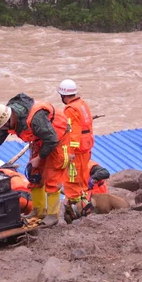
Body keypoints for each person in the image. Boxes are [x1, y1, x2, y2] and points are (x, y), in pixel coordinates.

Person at [0, 94, 70, 226]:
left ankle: (52, 215)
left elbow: (51, 139)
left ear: (9, 119)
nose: (4, 130)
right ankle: (38, 211)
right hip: (40, 140)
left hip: (57, 139)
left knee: (53, 178)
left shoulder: (36, 118)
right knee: (34, 174)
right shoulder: (7, 119)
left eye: (4, 127)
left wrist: (39, 157)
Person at [57, 79, 94, 223]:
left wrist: (70, 151)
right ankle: (84, 205)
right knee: (83, 178)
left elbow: (73, 131)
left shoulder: (70, 109)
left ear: (63, 95)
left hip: (77, 150)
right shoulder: (82, 105)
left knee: (72, 180)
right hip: (86, 146)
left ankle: (75, 210)